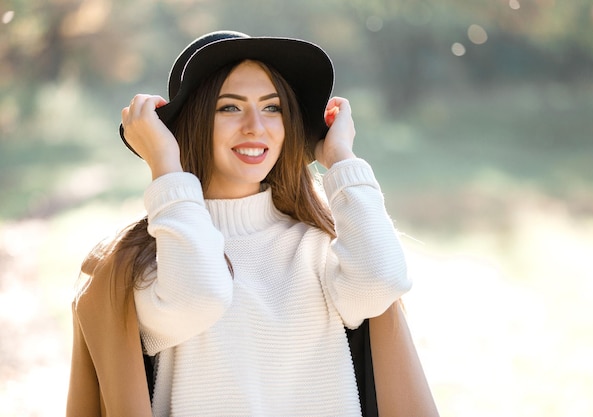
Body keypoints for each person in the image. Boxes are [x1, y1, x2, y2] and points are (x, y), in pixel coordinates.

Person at [68, 30, 412, 417]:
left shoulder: (321, 248)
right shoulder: (148, 262)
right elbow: (201, 297)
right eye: (229, 108)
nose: (255, 126)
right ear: (193, 122)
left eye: (273, 108)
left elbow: (384, 281)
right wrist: (166, 162)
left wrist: (341, 159)